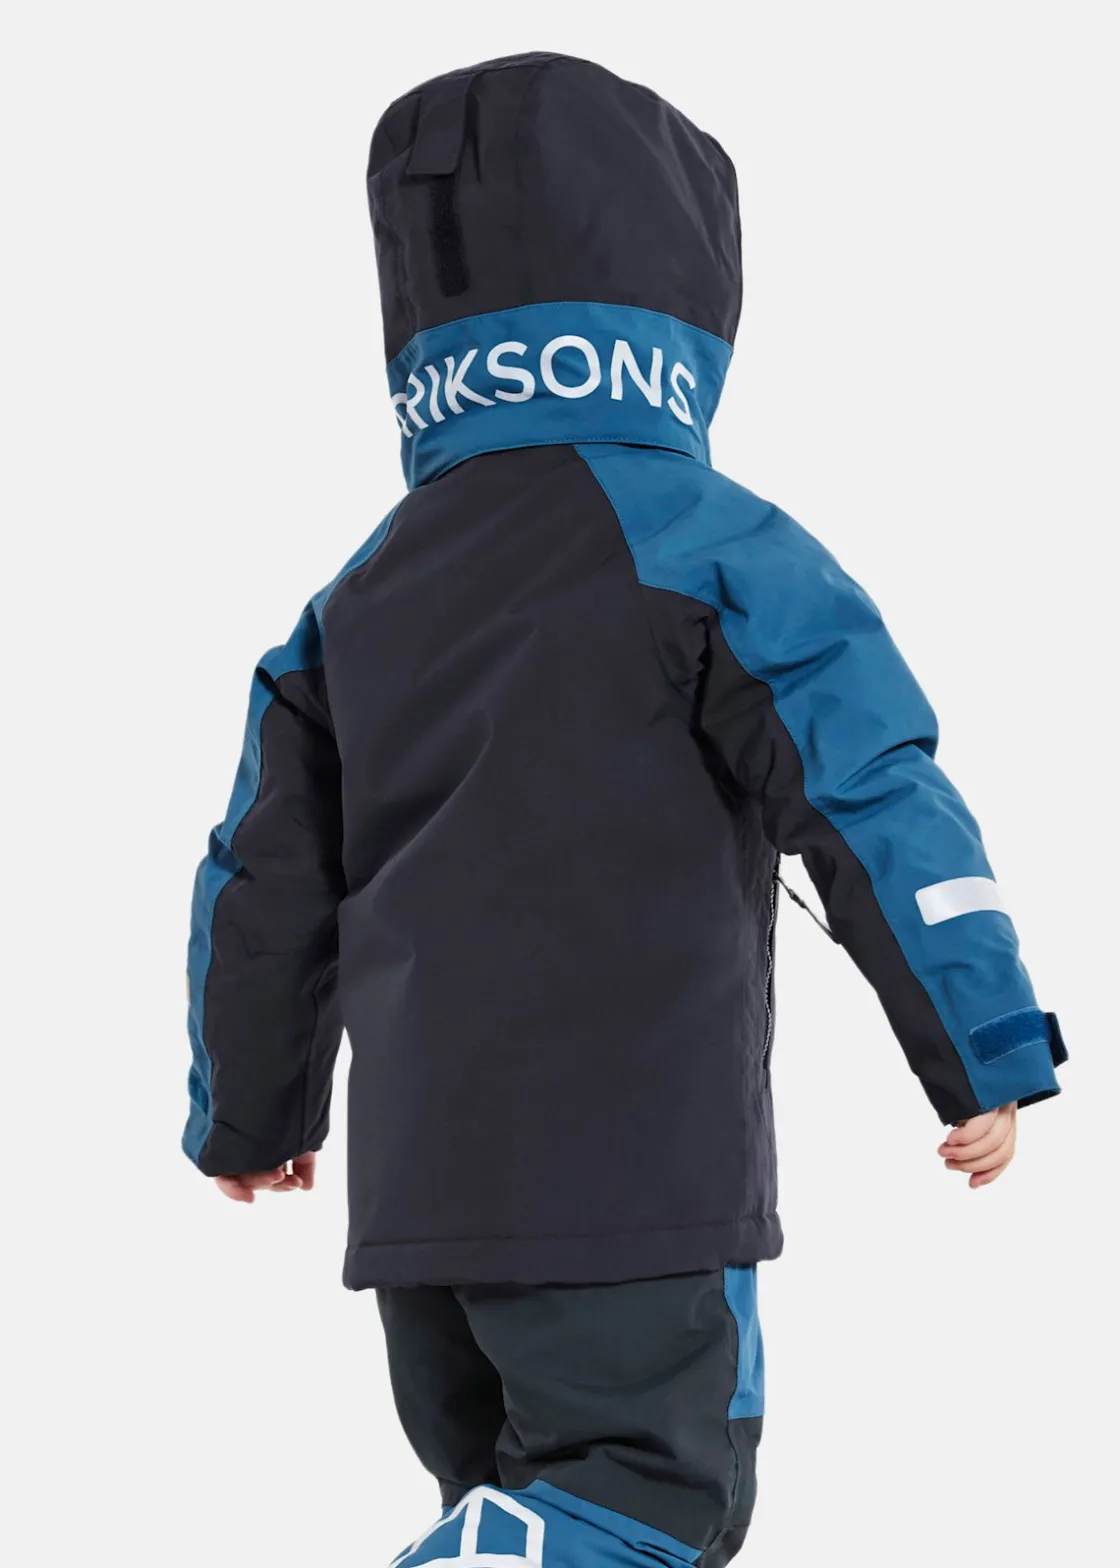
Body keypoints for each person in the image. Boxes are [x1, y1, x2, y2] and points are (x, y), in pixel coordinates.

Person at [184, 52, 1067, 1567]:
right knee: (647, 1506)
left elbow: (259, 879)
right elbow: (875, 789)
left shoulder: (361, 593)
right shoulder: (712, 542)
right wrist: (982, 1041)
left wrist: (249, 1113)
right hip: (636, 1186)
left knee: (507, 1506)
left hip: (422, 1210)